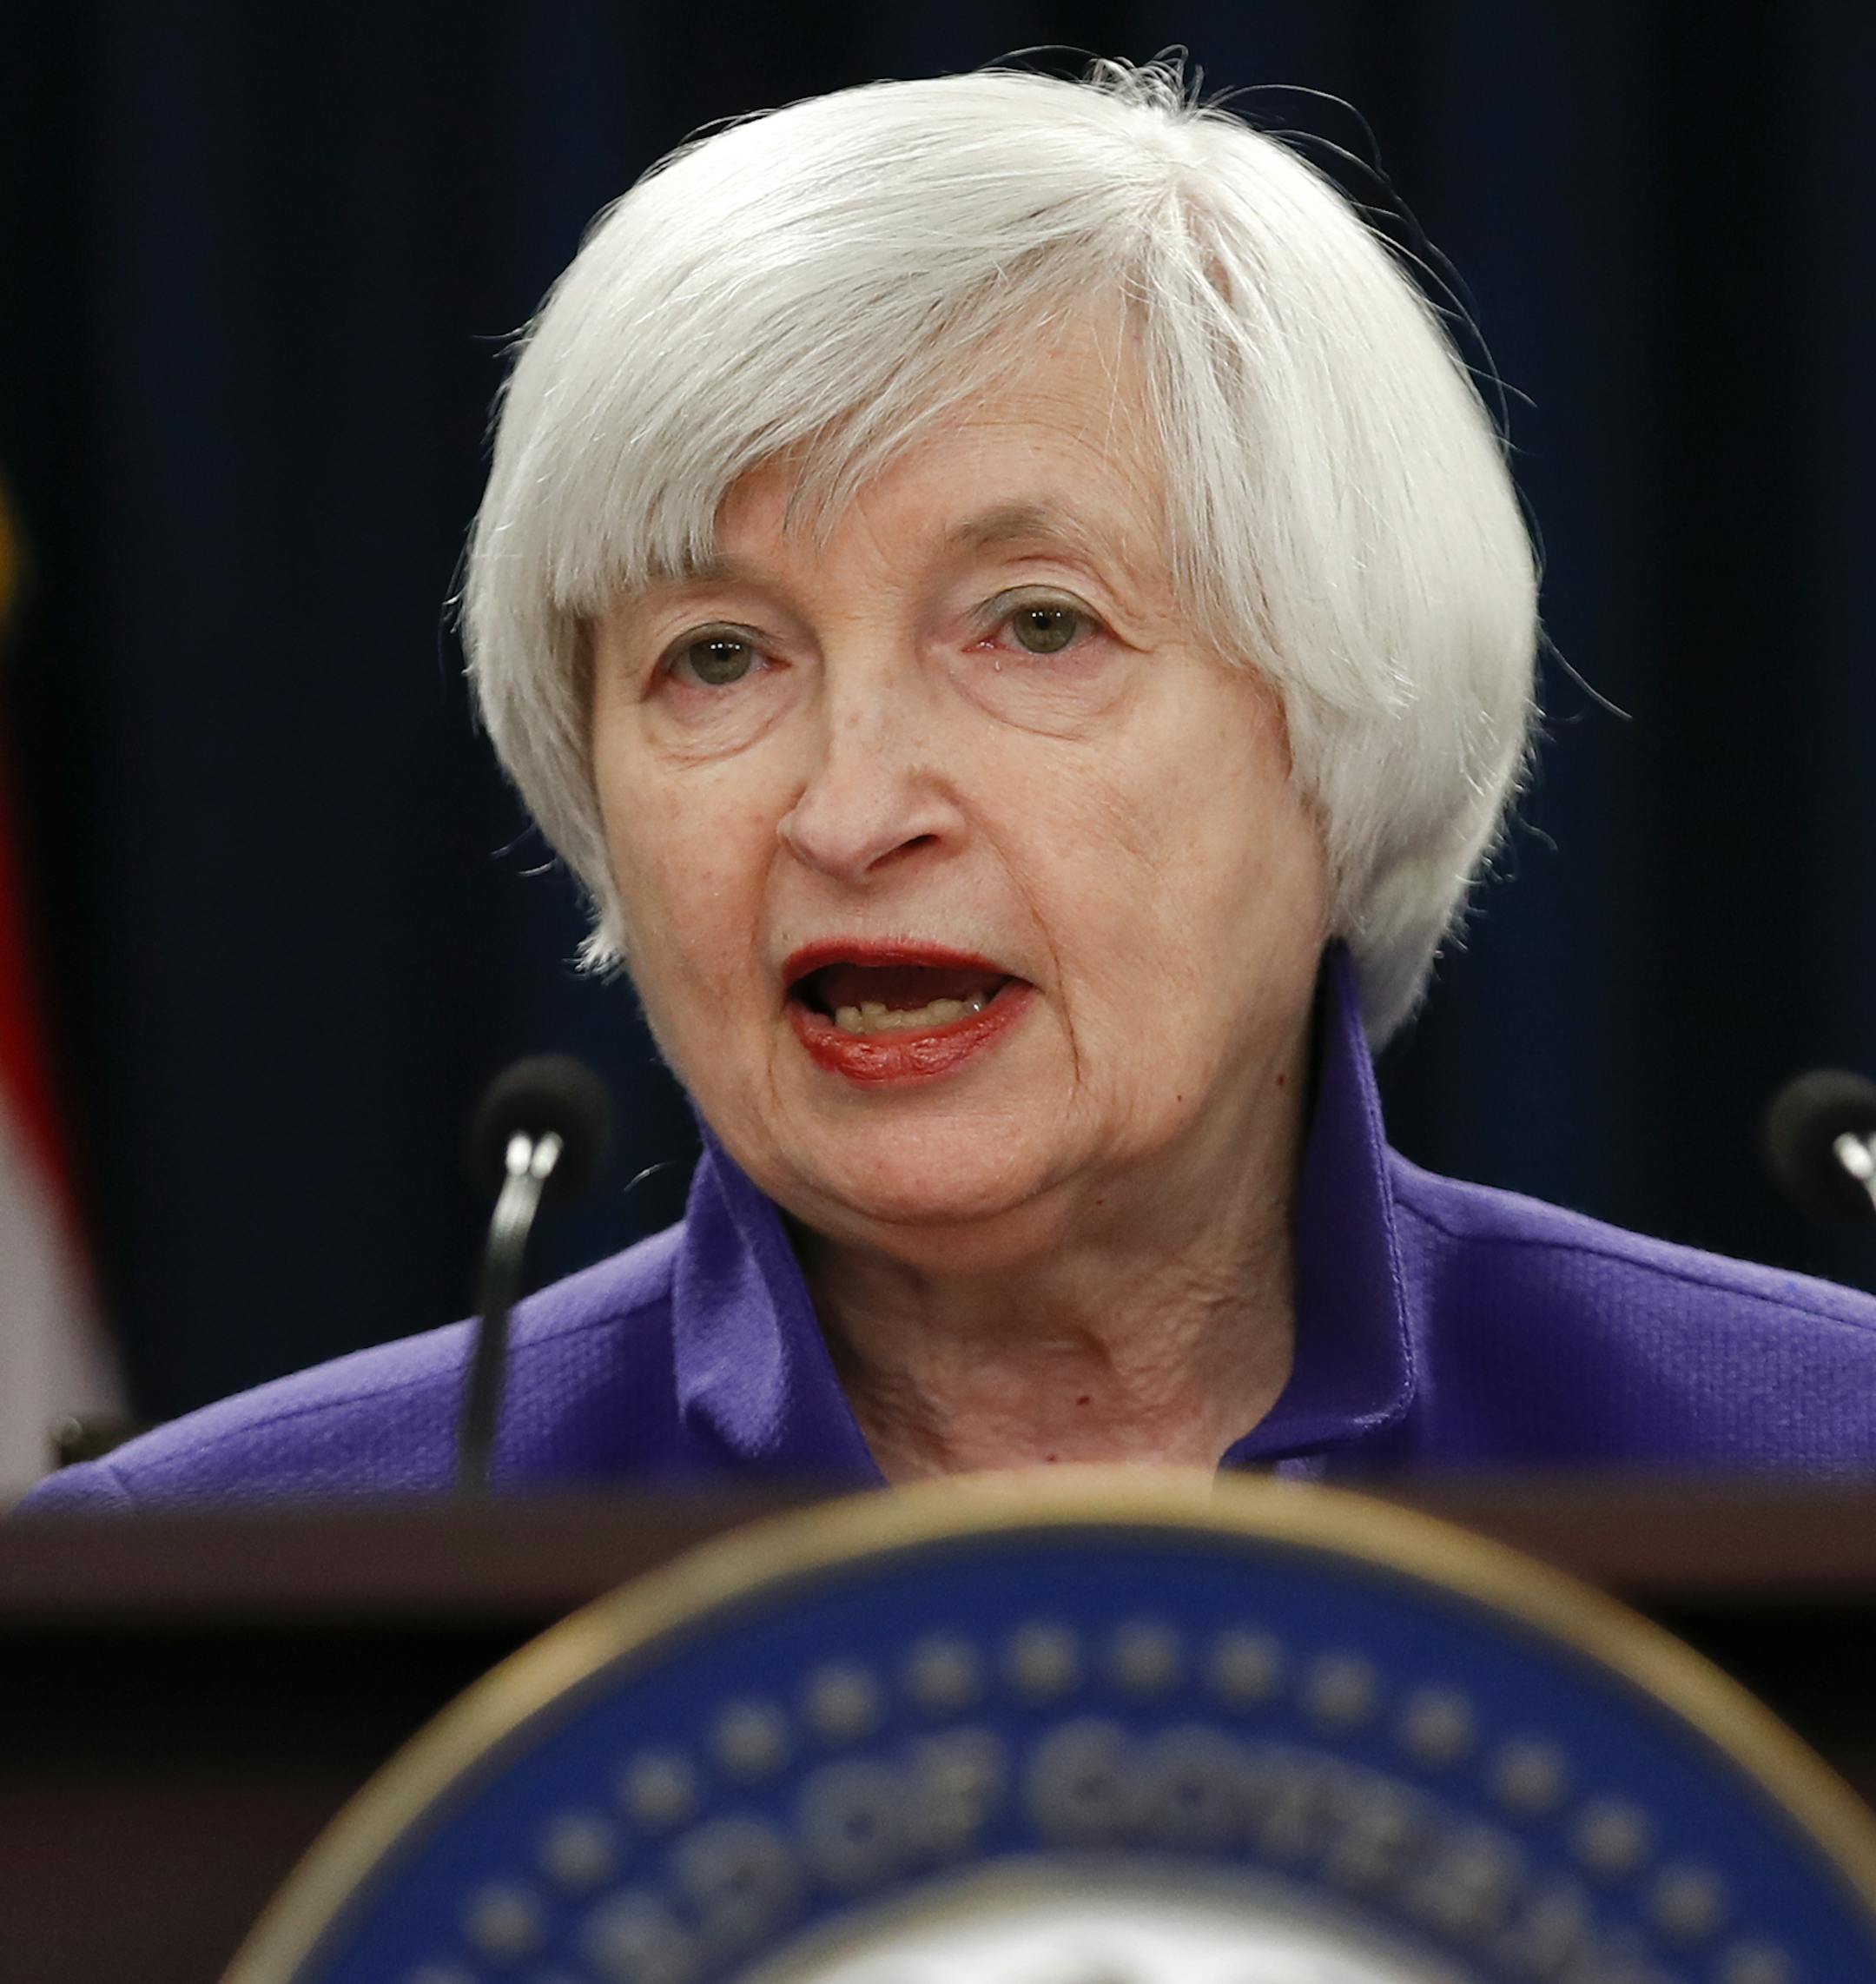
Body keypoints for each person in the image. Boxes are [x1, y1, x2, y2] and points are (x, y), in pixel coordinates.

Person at [26, 61, 1876, 1513]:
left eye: (1037, 627)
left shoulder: (1812, 1471)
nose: (851, 809)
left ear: (1343, 723)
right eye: (721, 656)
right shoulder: (224, 1597)